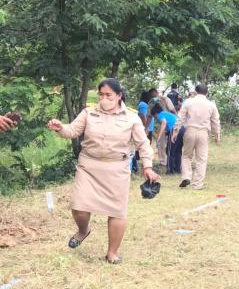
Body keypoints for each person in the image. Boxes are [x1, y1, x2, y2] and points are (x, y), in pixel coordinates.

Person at [47, 78, 157, 264]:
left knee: (116, 212)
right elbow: (72, 130)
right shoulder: (89, 113)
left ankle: (112, 253)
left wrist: (147, 166)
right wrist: (60, 128)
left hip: (117, 169)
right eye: (101, 95)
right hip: (88, 167)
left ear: (119, 96)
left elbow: (143, 144)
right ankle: (83, 230)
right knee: (78, 206)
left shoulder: (131, 118)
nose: (104, 98)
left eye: (109, 95)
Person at [172, 83, 220, 190]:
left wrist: (175, 131)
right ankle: (197, 184)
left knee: (186, 156)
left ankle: (186, 177)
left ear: (196, 92)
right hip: (203, 133)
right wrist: (217, 135)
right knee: (201, 159)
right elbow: (215, 121)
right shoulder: (211, 104)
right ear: (207, 93)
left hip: (189, 131)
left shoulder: (189, 102)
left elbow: (180, 118)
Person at [151, 103, 183, 174]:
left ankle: (170, 170)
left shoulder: (160, 115)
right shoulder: (166, 113)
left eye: (154, 116)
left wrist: (158, 137)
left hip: (174, 130)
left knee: (169, 151)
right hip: (182, 129)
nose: (155, 118)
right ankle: (178, 170)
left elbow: (164, 123)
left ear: (155, 113)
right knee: (178, 151)